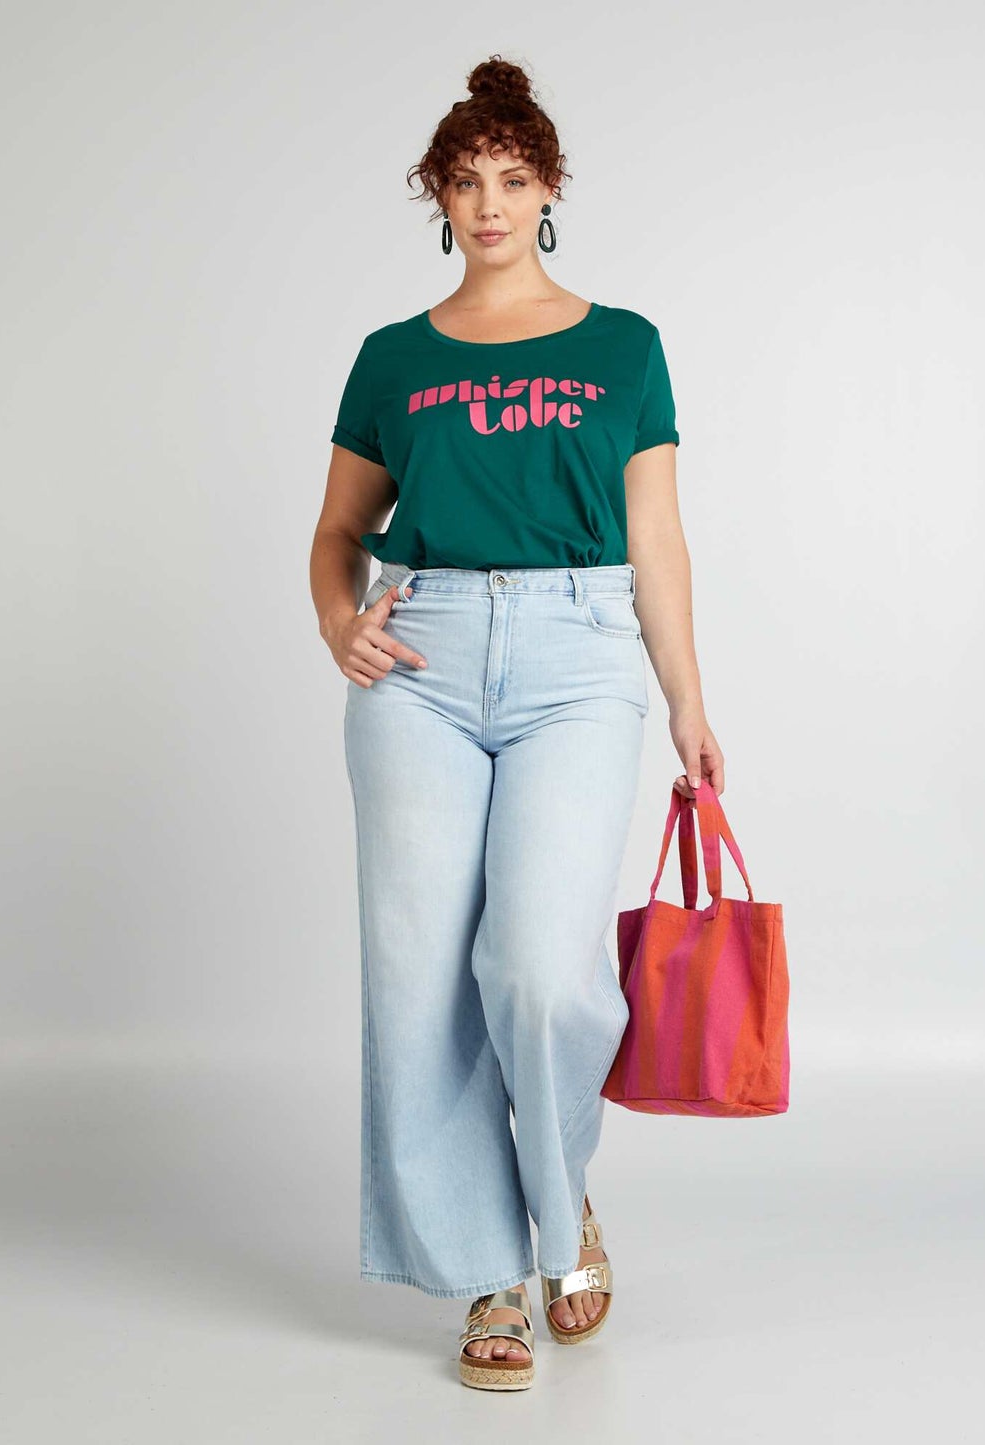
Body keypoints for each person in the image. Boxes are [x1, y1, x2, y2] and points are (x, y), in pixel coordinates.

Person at [309, 53, 725, 1392]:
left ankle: (559, 1199)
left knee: (541, 969)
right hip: (419, 662)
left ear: (549, 190)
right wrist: (337, 621)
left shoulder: (624, 346)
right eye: (463, 181)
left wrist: (688, 701)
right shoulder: (393, 357)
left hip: (576, 655)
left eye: (511, 177)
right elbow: (337, 532)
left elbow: (655, 539)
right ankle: (488, 1270)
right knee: (420, 978)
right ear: (437, 198)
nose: (487, 202)